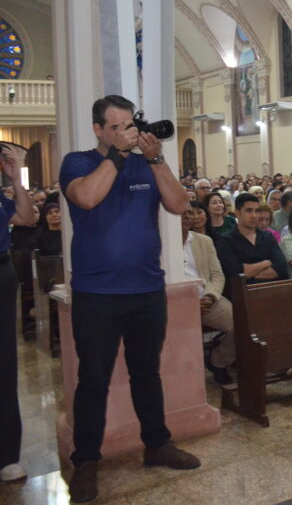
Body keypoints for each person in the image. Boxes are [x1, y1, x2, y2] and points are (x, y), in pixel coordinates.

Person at [59, 95, 200, 502]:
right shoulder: (79, 161)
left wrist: (156, 160)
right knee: (94, 380)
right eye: (116, 127)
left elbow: (177, 205)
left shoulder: (144, 163)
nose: (126, 133)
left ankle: (157, 444)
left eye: (129, 125)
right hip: (97, 293)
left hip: (146, 290)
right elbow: (86, 198)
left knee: (146, 372)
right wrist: (118, 155)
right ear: (99, 130)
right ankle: (86, 461)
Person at [1, 147, 32, 483]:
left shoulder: (0, 197)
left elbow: (25, 217)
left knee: (4, 365)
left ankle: (7, 455)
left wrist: (16, 180)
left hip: (1, 275)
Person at [179, 208, 234, 386]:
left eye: (189, 213)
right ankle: (180, 378)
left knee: (242, 324)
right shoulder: (159, 243)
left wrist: (210, 296)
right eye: (181, 213)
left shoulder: (203, 241)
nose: (187, 217)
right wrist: (188, 303)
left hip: (206, 298)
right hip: (175, 303)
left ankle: (218, 360)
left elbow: (218, 275)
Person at [214, 193, 289, 296]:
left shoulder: (267, 237)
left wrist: (250, 272)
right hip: (243, 295)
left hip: (272, 292)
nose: (254, 215)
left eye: (256, 211)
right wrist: (266, 263)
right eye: (249, 210)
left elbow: (281, 268)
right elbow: (235, 274)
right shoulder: (226, 241)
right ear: (237, 213)